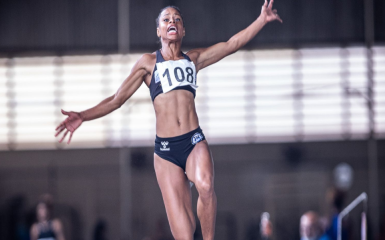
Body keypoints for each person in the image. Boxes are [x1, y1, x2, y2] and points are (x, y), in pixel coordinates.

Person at [55, 1, 282, 239]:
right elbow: (116, 99)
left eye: (177, 19)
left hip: (193, 140)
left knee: (205, 185)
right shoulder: (148, 63)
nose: (172, 21)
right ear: (159, 31)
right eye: (166, 19)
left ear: (183, 30)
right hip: (166, 152)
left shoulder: (193, 60)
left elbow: (231, 45)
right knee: (184, 233)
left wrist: (261, 20)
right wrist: (82, 115)